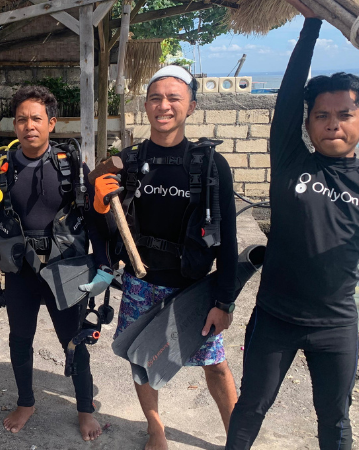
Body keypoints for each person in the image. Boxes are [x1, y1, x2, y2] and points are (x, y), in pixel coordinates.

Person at [226, 2, 359, 449]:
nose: (333, 124)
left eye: (344, 115)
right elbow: (288, 95)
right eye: (322, 115)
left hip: (335, 326)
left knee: (334, 421)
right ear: (308, 123)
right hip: (274, 317)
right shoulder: (291, 160)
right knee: (251, 406)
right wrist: (311, 24)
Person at [98, 65, 239, 450]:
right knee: (141, 361)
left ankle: (237, 436)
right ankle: (155, 428)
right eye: (155, 98)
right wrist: (97, 202)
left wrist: (224, 301)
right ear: (145, 106)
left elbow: (228, 240)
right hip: (141, 284)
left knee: (216, 365)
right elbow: (105, 227)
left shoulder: (211, 165)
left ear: (191, 106)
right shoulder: (127, 162)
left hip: (192, 287)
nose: (164, 105)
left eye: (174, 98)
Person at [0, 85, 113, 440]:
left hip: (65, 268)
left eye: (36, 118)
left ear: (51, 123)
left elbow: (94, 220)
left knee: (74, 340)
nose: (28, 126)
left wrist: (105, 267)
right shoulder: (1, 168)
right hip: (22, 269)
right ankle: (26, 402)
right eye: (21, 119)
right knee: (20, 338)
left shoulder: (72, 165)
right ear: (14, 125)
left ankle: (84, 409)